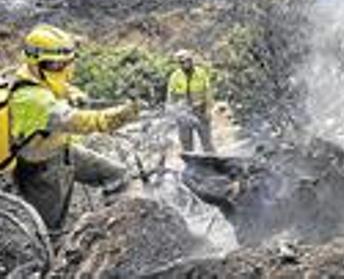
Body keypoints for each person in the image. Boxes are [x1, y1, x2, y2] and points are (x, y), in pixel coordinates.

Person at [8, 24, 139, 231]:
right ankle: (57, 259)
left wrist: (74, 94)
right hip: (42, 169)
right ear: (35, 62)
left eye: (65, 63)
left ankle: (117, 233)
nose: (62, 69)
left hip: (63, 151)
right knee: (51, 231)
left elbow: (61, 86)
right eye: (56, 65)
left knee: (117, 176)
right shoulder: (30, 98)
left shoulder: (36, 76)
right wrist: (116, 117)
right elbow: (76, 122)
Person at [166, 49, 215, 153]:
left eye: (187, 60)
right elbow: (170, 97)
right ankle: (191, 164)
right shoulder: (175, 76)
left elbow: (208, 92)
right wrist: (172, 113)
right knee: (186, 144)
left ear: (191, 60)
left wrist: (208, 110)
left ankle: (213, 161)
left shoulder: (201, 73)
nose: (185, 64)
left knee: (207, 141)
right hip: (183, 113)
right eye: (181, 62)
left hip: (200, 112)